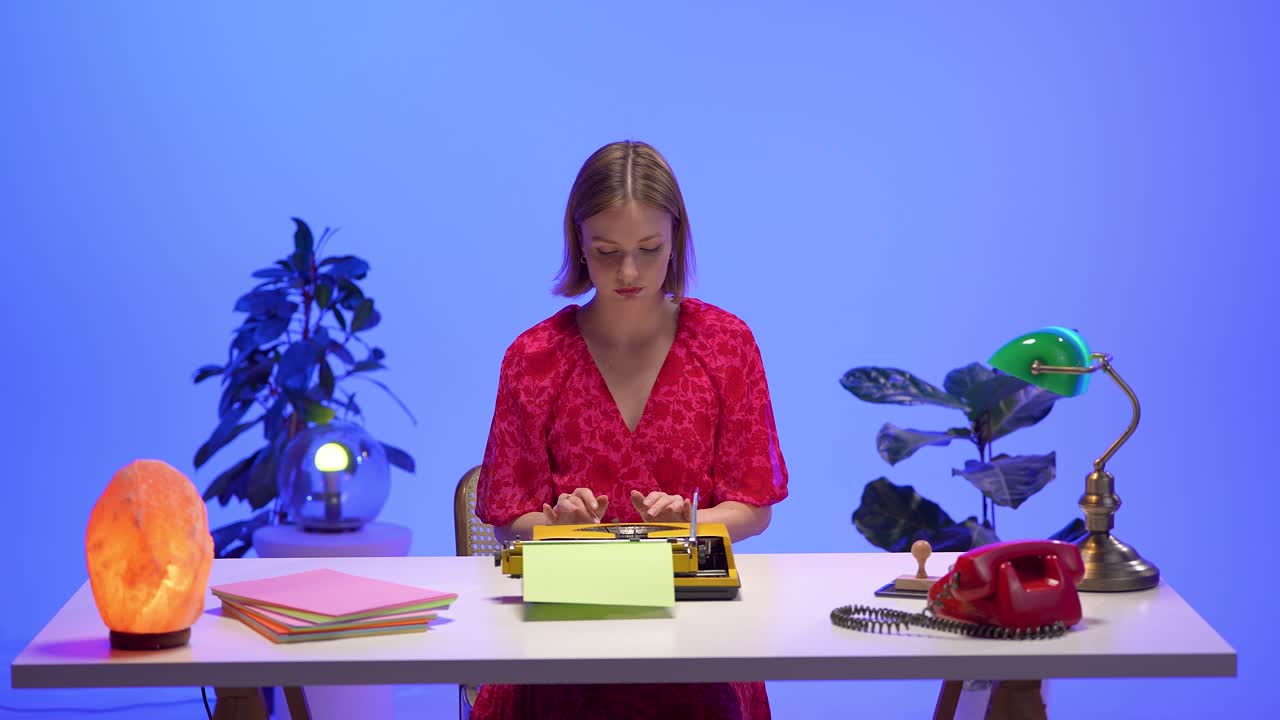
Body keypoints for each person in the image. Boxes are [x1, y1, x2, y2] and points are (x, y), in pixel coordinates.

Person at [472, 140, 788, 720]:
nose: (628, 272)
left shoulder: (726, 345)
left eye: (649, 249)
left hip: (695, 628)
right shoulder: (535, 357)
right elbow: (506, 518)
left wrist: (689, 524)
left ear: (676, 240)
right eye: (606, 251)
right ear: (578, 244)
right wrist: (557, 527)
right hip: (565, 632)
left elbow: (754, 506)